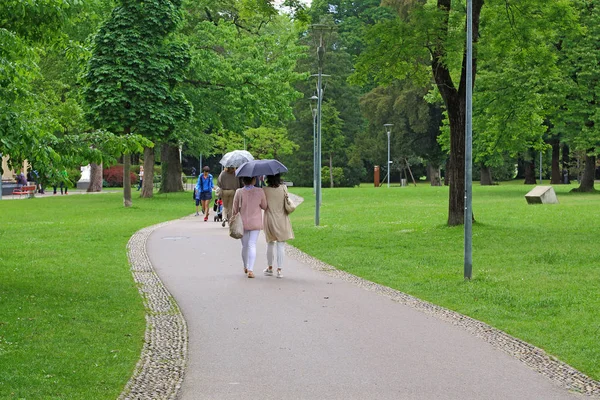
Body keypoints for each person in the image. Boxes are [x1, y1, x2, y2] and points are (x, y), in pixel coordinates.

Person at [232, 176, 267, 279]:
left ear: (243, 181)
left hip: (242, 223)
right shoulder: (260, 191)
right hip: (255, 222)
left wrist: (233, 219)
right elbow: (264, 206)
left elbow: (234, 208)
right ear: (254, 180)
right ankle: (251, 269)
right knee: (252, 245)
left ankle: (245, 266)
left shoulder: (239, 192)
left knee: (245, 246)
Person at [262, 174, 294, 278]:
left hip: (269, 219)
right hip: (282, 218)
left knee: (270, 243)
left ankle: (269, 267)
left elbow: (264, 206)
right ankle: (279, 270)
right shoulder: (284, 188)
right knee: (281, 245)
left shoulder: (265, 190)